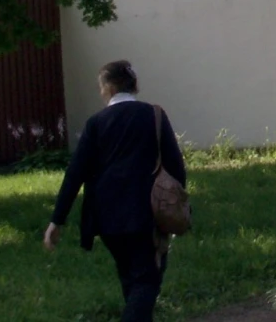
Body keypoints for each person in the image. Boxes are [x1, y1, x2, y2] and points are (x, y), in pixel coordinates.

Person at [45, 60, 187, 322]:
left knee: (130, 279)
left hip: (105, 217)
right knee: (147, 280)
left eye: (101, 87)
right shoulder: (154, 115)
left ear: (109, 88)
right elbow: (175, 165)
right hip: (146, 213)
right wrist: (176, 204)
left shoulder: (96, 123)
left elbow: (75, 173)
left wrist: (57, 220)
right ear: (134, 85)